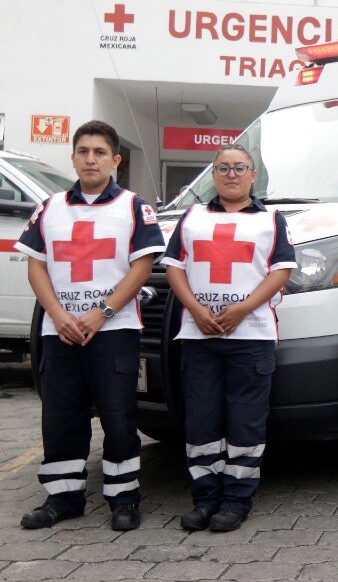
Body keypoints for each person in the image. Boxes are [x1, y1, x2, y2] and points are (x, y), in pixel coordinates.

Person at [16, 121, 165, 531]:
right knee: (61, 415)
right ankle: (63, 497)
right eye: (83, 151)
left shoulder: (134, 207)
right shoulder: (50, 208)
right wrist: (58, 315)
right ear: (74, 158)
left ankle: (124, 498)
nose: (90, 159)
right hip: (60, 331)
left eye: (99, 152)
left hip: (113, 331)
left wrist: (102, 312)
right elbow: (36, 266)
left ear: (115, 160)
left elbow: (143, 266)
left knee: (119, 415)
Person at [161, 144, 297, 532]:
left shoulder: (272, 219)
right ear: (214, 175)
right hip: (199, 335)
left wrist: (241, 310)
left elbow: (281, 271)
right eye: (223, 168)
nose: (232, 174)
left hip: (251, 335)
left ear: (253, 175)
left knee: (246, 422)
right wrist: (197, 310)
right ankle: (205, 499)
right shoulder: (192, 217)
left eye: (240, 168)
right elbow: (174, 268)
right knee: (201, 420)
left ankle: (236, 501)